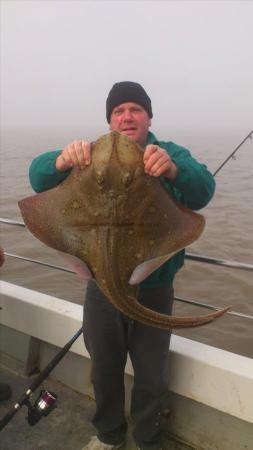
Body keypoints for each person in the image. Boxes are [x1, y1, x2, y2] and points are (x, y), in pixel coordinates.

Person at [29, 82, 215, 450]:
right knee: (103, 368)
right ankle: (109, 436)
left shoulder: (168, 153)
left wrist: (173, 171)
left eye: (135, 109)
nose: (126, 116)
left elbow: (203, 190)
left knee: (150, 374)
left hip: (154, 287)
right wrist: (61, 161)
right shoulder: (88, 156)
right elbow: (38, 177)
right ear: (110, 121)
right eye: (118, 111)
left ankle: (148, 440)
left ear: (148, 116)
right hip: (99, 286)